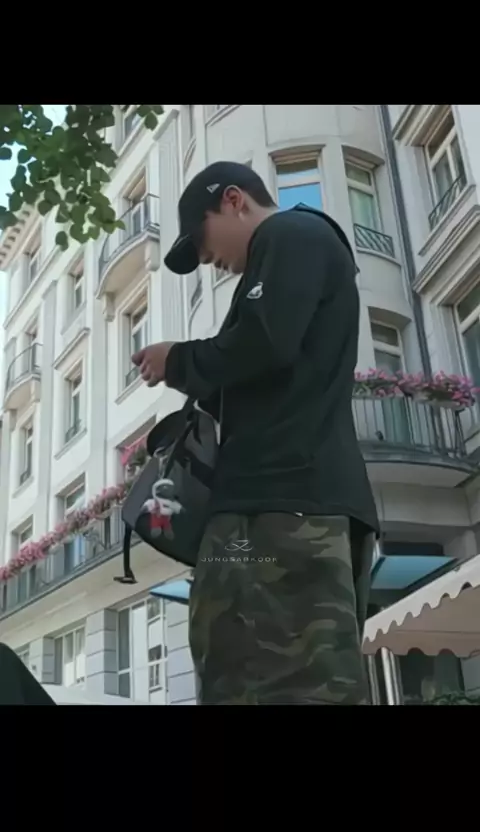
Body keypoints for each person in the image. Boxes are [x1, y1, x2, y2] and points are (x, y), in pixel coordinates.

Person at [132, 161, 379, 705]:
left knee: (266, 680)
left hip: (280, 508)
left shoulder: (292, 232)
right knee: (273, 677)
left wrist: (179, 359)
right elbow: (267, 362)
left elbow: (264, 342)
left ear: (234, 200)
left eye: (201, 239)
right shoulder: (294, 251)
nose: (206, 259)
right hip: (288, 504)